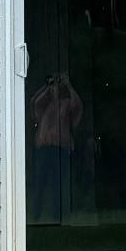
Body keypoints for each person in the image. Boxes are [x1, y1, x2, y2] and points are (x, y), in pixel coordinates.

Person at [27, 69, 85, 230]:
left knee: (57, 183)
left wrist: (69, 85)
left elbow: (78, 105)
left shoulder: (66, 103)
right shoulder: (46, 104)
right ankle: (35, 215)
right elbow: (34, 103)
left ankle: (56, 217)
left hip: (60, 147)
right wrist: (47, 87)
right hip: (43, 147)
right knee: (39, 181)